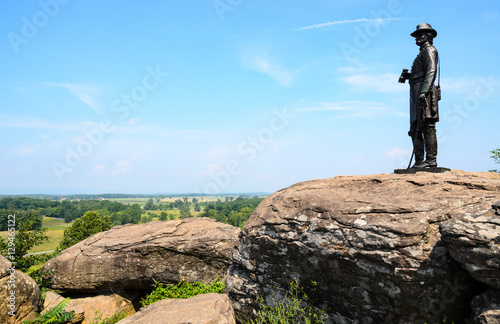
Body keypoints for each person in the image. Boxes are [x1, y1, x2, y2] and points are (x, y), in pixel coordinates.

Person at [399, 23, 440, 168]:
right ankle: (419, 161)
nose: (417, 38)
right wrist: (409, 76)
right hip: (416, 90)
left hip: (424, 90)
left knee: (427, 125)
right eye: (416, 35)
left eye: (420, 35)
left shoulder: (429, 50)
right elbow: (422, 72)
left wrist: (424, 91)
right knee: (414, 128)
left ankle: (430, 160)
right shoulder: (421, 53)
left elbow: (431, 71)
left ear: (428, 36)